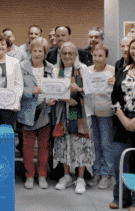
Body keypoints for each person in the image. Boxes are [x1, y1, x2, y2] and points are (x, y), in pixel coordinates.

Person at [53, 41, 94, 194]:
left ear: (76, 55)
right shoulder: (56, 71)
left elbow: (90, 90)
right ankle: (66, 176)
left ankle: (80, 178)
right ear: (60, 55)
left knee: (79, 143)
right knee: (64, 142)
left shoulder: (83, 70)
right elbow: (53, 90)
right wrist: (53, 97)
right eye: (64, 53)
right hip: (62, 112)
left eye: (71, 53)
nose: (68, 56)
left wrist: (80, 88)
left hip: (77, 112)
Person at [17, 37, 56, 189]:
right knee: (27, 147)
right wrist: (30, 91)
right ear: (30, 52)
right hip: (27, 112)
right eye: (35, 50)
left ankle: (42, 175)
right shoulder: (21, 67)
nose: (37, 53)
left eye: (41, 51)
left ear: (45, 53)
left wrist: (53, 99)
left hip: (45, 112)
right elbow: (16, 87)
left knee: (44, 146)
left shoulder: (51, 68)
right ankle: (29, 176)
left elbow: (56, 87)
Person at [83, 44, 115, 189]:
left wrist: (115, 84)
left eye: (100, 56)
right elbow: (80, 86)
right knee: (94, 144)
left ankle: (106, 174)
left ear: (106, 57)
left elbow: (119, 91)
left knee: (106, 144)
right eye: (95, 55)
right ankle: (96, 172)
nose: (97, 58)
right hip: (91, 111)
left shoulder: (112, 72)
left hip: (106, 112)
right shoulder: (86, 71)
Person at [109, 38, 135, 210]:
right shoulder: (123, 69)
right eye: (132, 48)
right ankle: (121, 198)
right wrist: (123, 118)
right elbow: (115, 96)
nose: (133, 51)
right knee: (121, 161)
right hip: (121, 121)